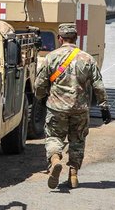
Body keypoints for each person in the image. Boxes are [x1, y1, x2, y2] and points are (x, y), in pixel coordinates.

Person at [33, 23, 110, 190]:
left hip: (56, 108)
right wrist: (104, 106)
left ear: (60, 39)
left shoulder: (51, 57)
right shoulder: (87, 58)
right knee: (77, 141)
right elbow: (98, 85)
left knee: (54, 137)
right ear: (76, 38)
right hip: (80, 109)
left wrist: (40, 98)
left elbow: (40, 84)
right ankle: (73, 174)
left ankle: (54, 161)